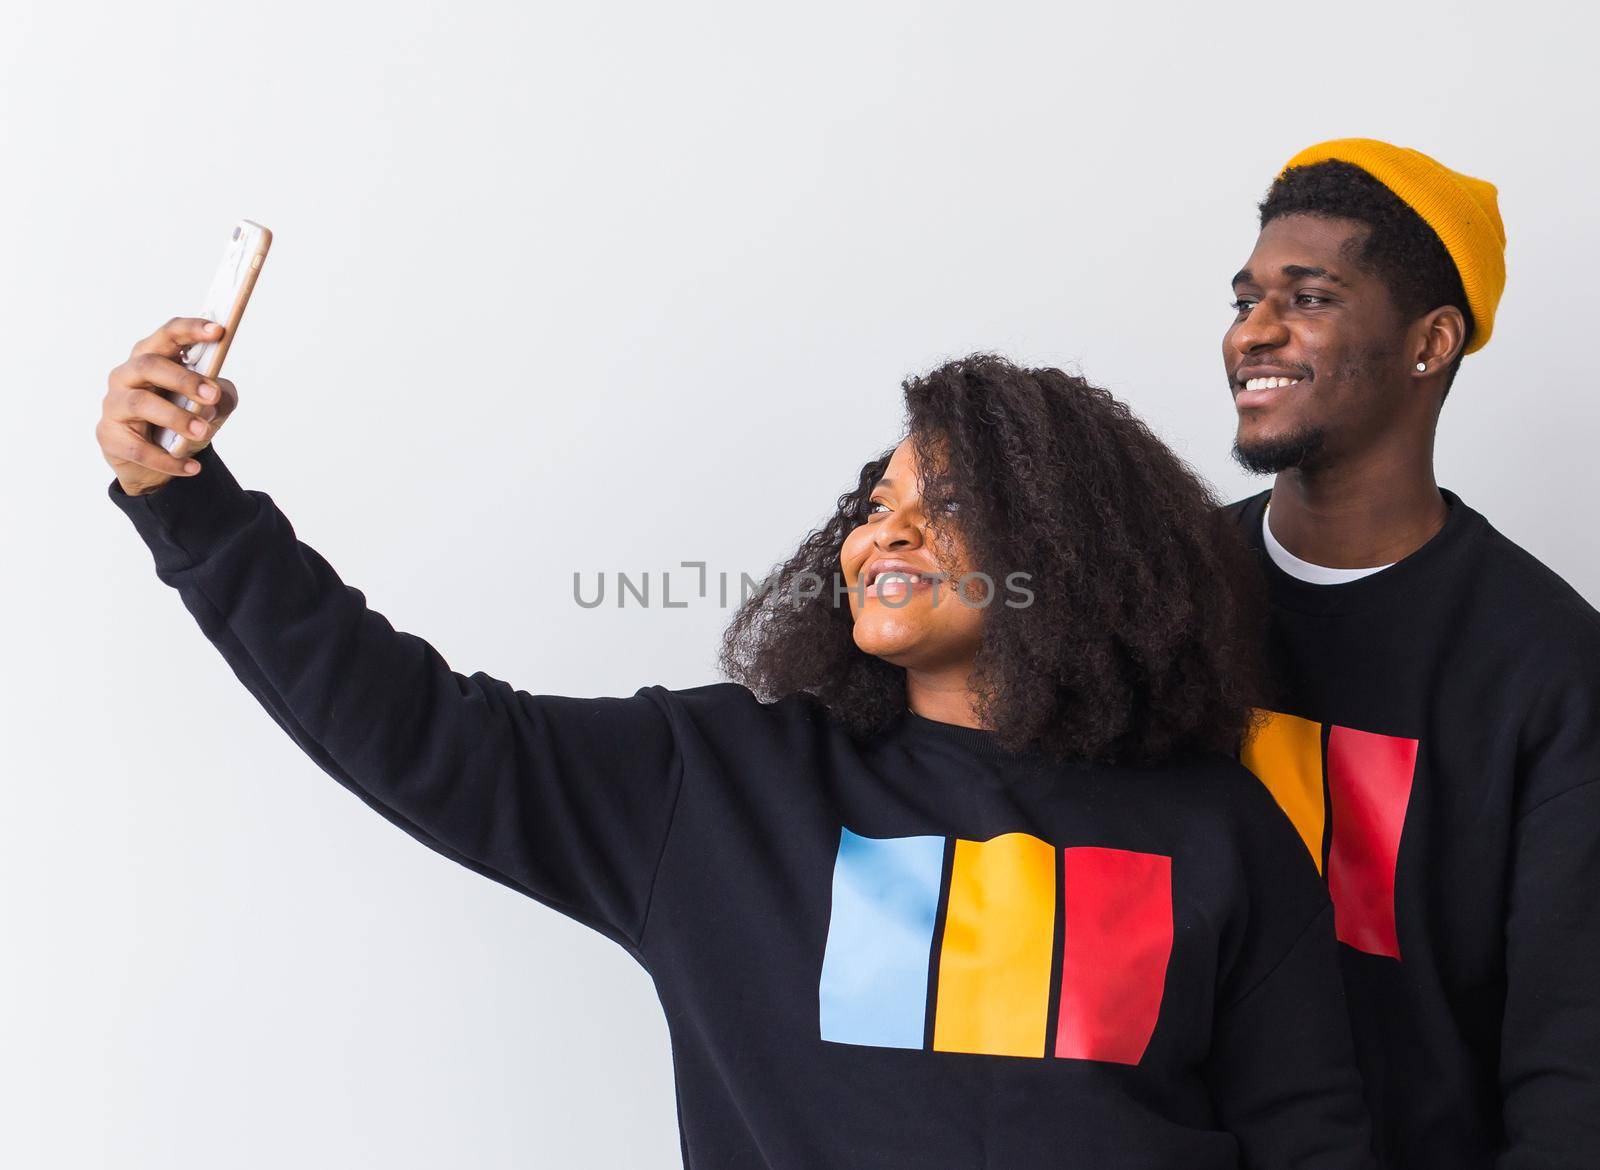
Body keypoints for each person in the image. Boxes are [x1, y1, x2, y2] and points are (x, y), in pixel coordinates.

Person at [100, 333, 1375, 1168]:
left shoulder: (1216, 829)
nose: (886, 530)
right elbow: (416, 728)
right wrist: (192, 510)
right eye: (874, 502)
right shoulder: (715, 788)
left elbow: (1308, 1135)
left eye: (948, 503)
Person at [1223, 138, 1600, 1168]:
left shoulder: (1551, 668)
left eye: (1307, 299)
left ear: (1430, 342)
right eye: (1244, 298)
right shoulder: (1159, 591)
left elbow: (1573, 1063)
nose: (1253, 332)